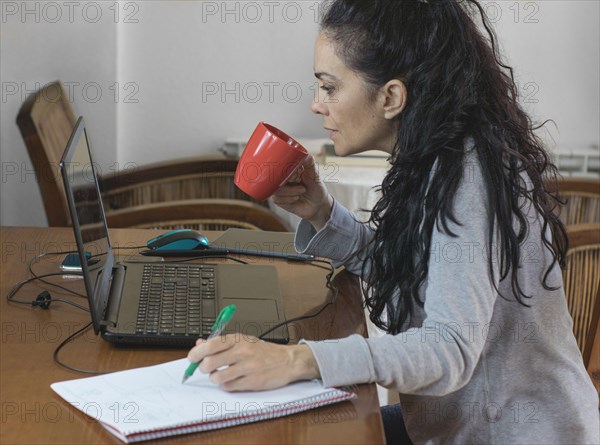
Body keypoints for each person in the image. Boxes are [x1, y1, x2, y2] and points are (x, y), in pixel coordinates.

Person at [188, 1, 600, 443]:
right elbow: (408, 269)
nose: (315, 105)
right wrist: (321, 211)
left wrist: (297, 360)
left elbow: (449, 350)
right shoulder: (435, 158)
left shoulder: (466, 177)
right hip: (454, 427)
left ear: (390, 98)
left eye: (329, 87)